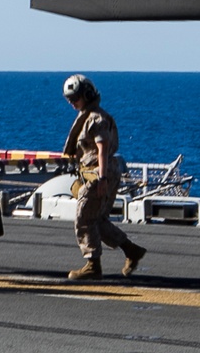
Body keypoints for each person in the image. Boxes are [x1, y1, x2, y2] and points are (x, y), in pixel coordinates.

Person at [62, 74, 146, 280]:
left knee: (83, 217)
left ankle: (92, 264)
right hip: (95, 172)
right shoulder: (87, 117)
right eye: (69, 99)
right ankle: (131, 250)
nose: (72, 103)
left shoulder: (97, 119)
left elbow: (102, 148)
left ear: (87, 95)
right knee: (95, 219)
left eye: (75, 98)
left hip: (99, 172)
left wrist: (101, 178)